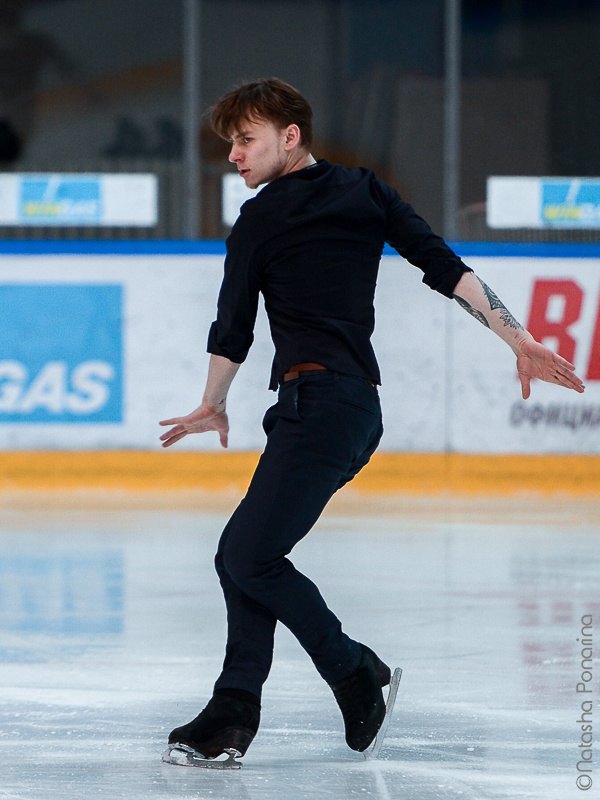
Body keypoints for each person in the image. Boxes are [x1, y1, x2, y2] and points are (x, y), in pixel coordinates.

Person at [159, 78, 585, 764]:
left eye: (245, 141)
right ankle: (233, 713)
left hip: (320, 406)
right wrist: (213, 403)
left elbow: (234, 326)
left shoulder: (265, 218)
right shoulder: (361, 190)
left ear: (288, 137)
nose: (233, 156)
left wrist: (522, 341)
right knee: (243, 553)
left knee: (247, 554)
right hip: (349, 411)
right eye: (230, 144)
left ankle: (355, 672)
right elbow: (447, 270)